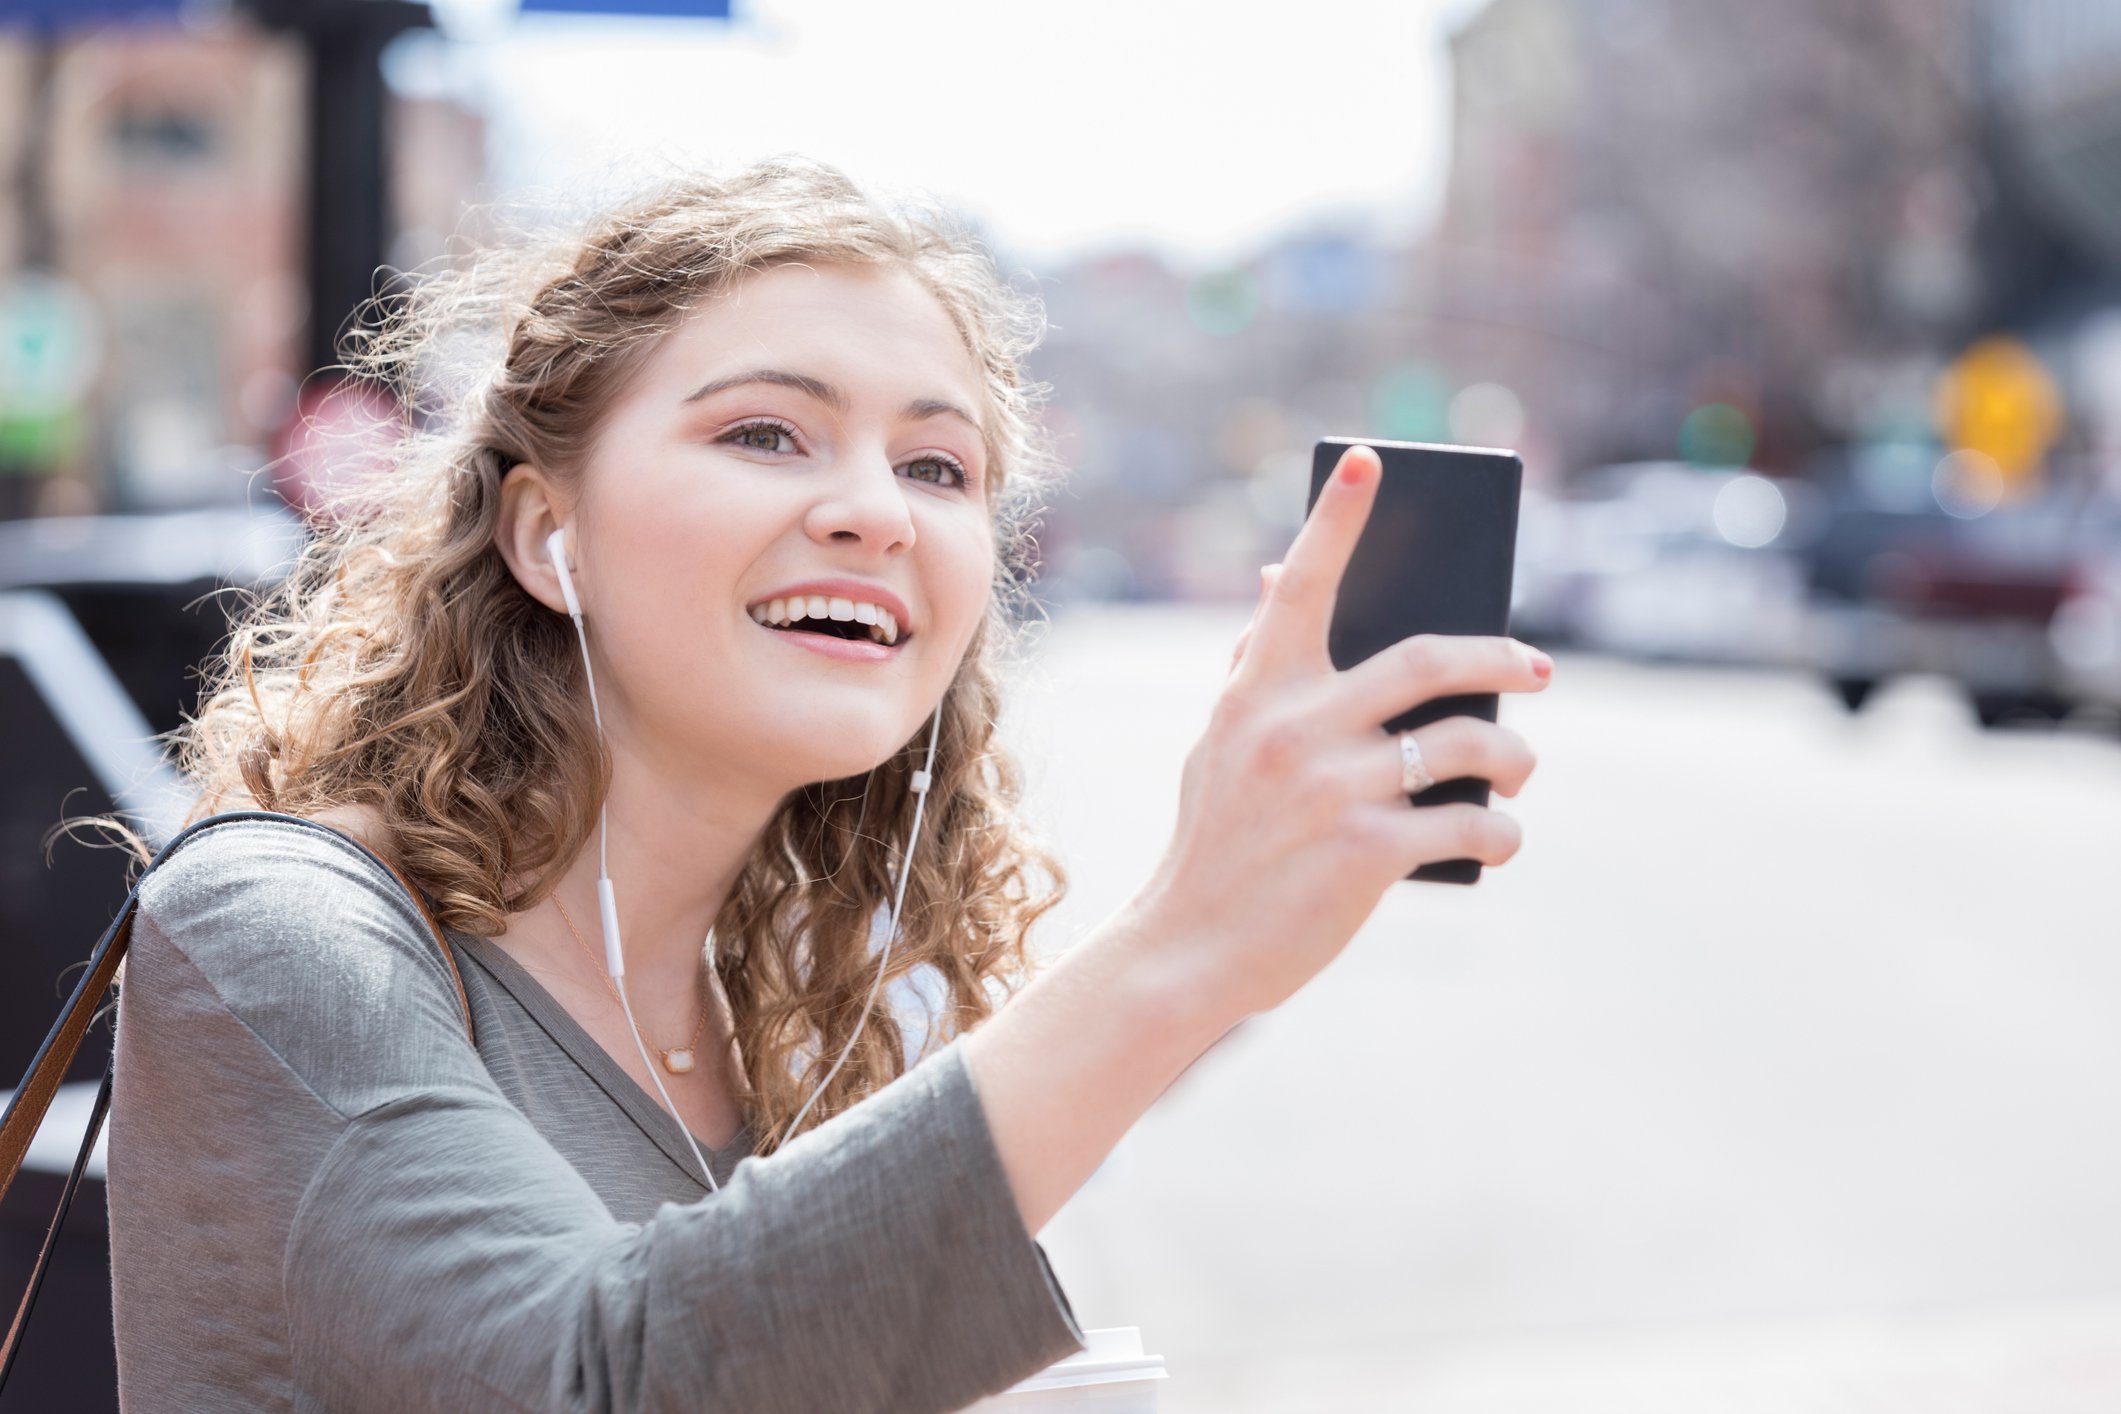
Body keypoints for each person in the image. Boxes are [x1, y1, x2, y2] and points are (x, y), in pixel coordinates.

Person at [95, 156, 1549, 1412]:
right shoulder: (271, 932)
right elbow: (592, 1377)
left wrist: (1250, 932)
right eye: (764, 433)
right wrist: (1183, 945)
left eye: (936, 465)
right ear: (550, 537)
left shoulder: (809, 1012)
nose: (871, 509)